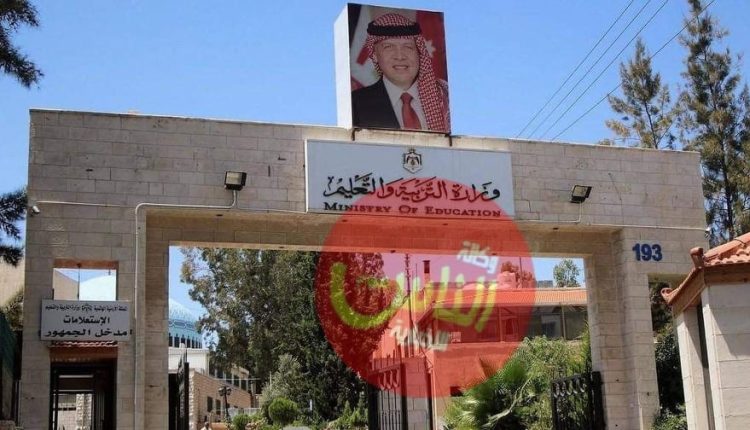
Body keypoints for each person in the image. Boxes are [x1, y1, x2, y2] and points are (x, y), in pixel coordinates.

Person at [351, 13, 450, 133]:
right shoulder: (355, 104)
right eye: (388, 47)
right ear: (374, 55)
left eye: (408, 47)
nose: (400, 56)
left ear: (419, 52)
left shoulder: (445, 97)